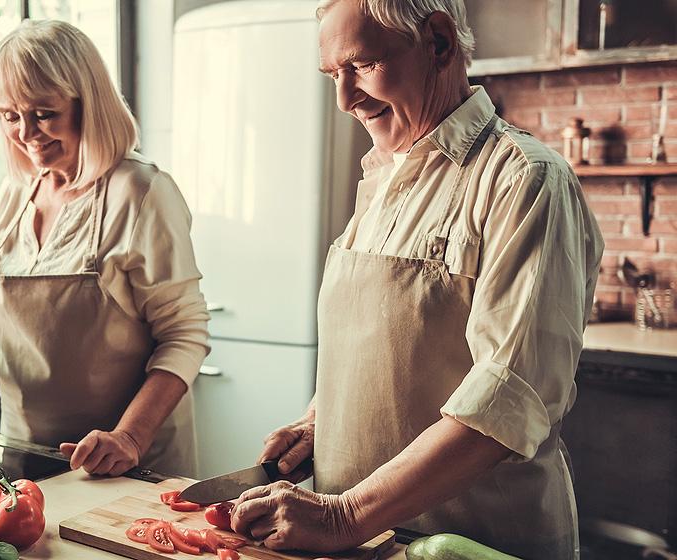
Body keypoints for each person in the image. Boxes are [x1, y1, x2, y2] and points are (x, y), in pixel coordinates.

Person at [230, 1, 603, 558]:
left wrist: (346, 514)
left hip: (477, 541)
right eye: (334, 75)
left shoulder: (524, 179)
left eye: (360, 65)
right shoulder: (381, 179)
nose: (344, 100)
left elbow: (508, 396)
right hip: (369, 542)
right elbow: (387, 350)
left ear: (438, 43)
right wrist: (320, 421)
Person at [0, 19, 208, 478]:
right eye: (10, 115)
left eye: (44, 113)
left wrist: (130, 437)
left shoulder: (140, 192)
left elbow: (185, 335)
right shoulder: (16, 192)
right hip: (25, 455)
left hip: (129, 464)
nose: (26, 133)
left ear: (88, 104)